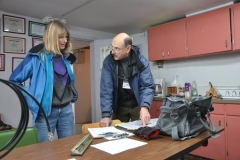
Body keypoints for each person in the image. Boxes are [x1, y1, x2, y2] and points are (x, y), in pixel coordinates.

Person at [9, 20, 78, 142]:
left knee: (67, 147)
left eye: (66, 37)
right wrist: (32, 96)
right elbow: (14, 80)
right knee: (45, 152)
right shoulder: (36, 57)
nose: (65, 40)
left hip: (66, 111)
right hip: (45, 113)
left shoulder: (66, 58)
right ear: (51, 37)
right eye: (61, 37)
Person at [100, 33, 154, 127]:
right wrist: (106, 114)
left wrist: (144, 107)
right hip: (119, 106)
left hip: (137, 104)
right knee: (117, 135)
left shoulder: (141, 61)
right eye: (112, 47)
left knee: (140, 133)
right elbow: (106, 89)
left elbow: (147, 86)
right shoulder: (109, 62)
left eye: (117, 48)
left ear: (128, 48)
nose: (112, 52)